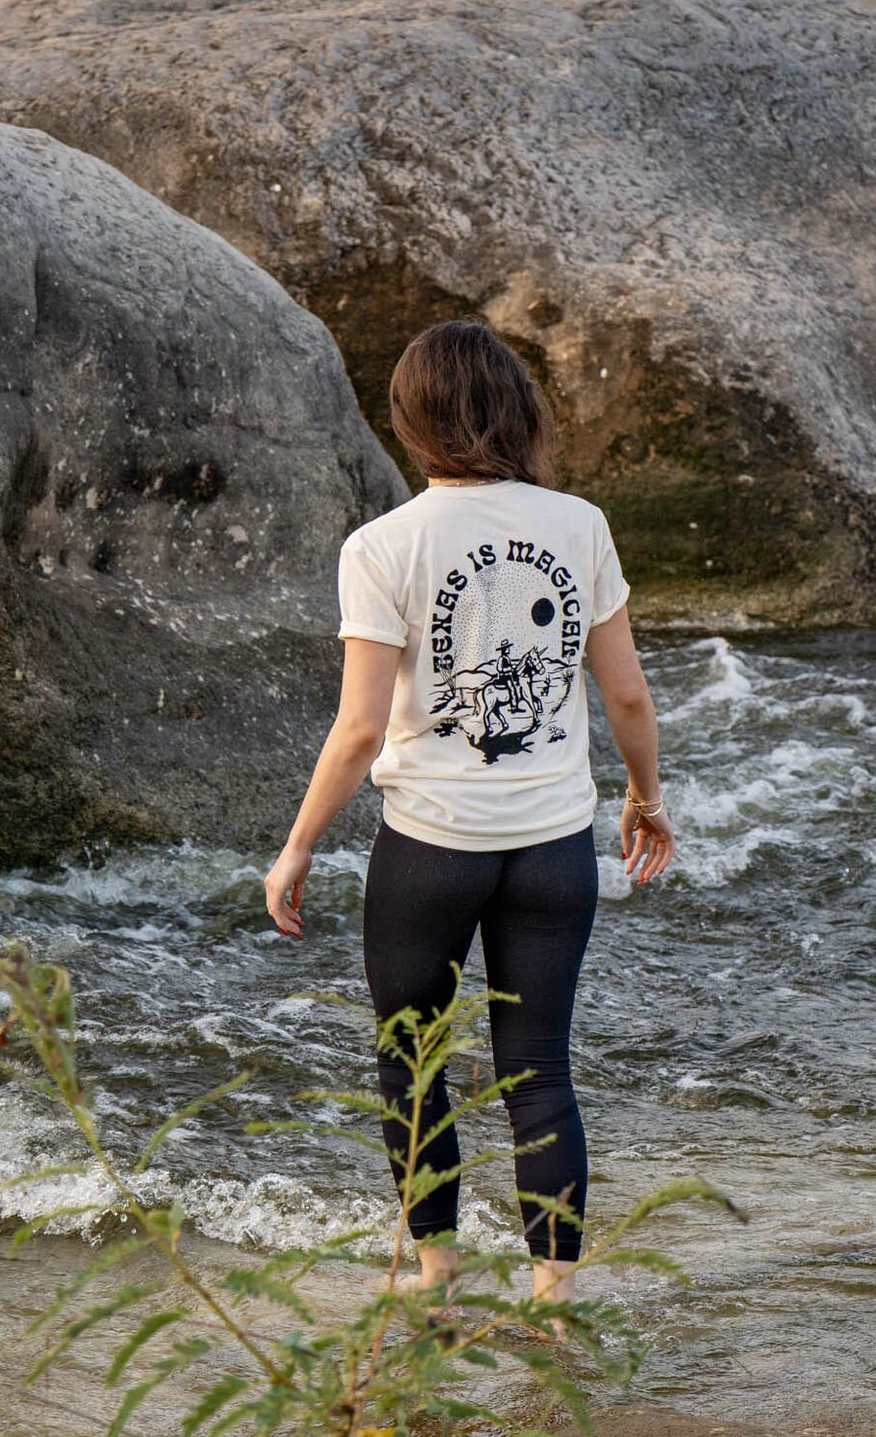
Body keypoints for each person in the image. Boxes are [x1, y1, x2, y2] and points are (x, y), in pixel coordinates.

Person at [262, 320, 674, 1306]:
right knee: (537, 1068)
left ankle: (433, 1274)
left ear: (407, 421)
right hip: (550, 850)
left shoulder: (381, 545)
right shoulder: (577, 524)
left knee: (410, 1059)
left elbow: (359, 726)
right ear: (515, 408)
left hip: (430, 851)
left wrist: (296, 845)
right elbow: (623, 694)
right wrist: (644, 793)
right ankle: (553, 1297)